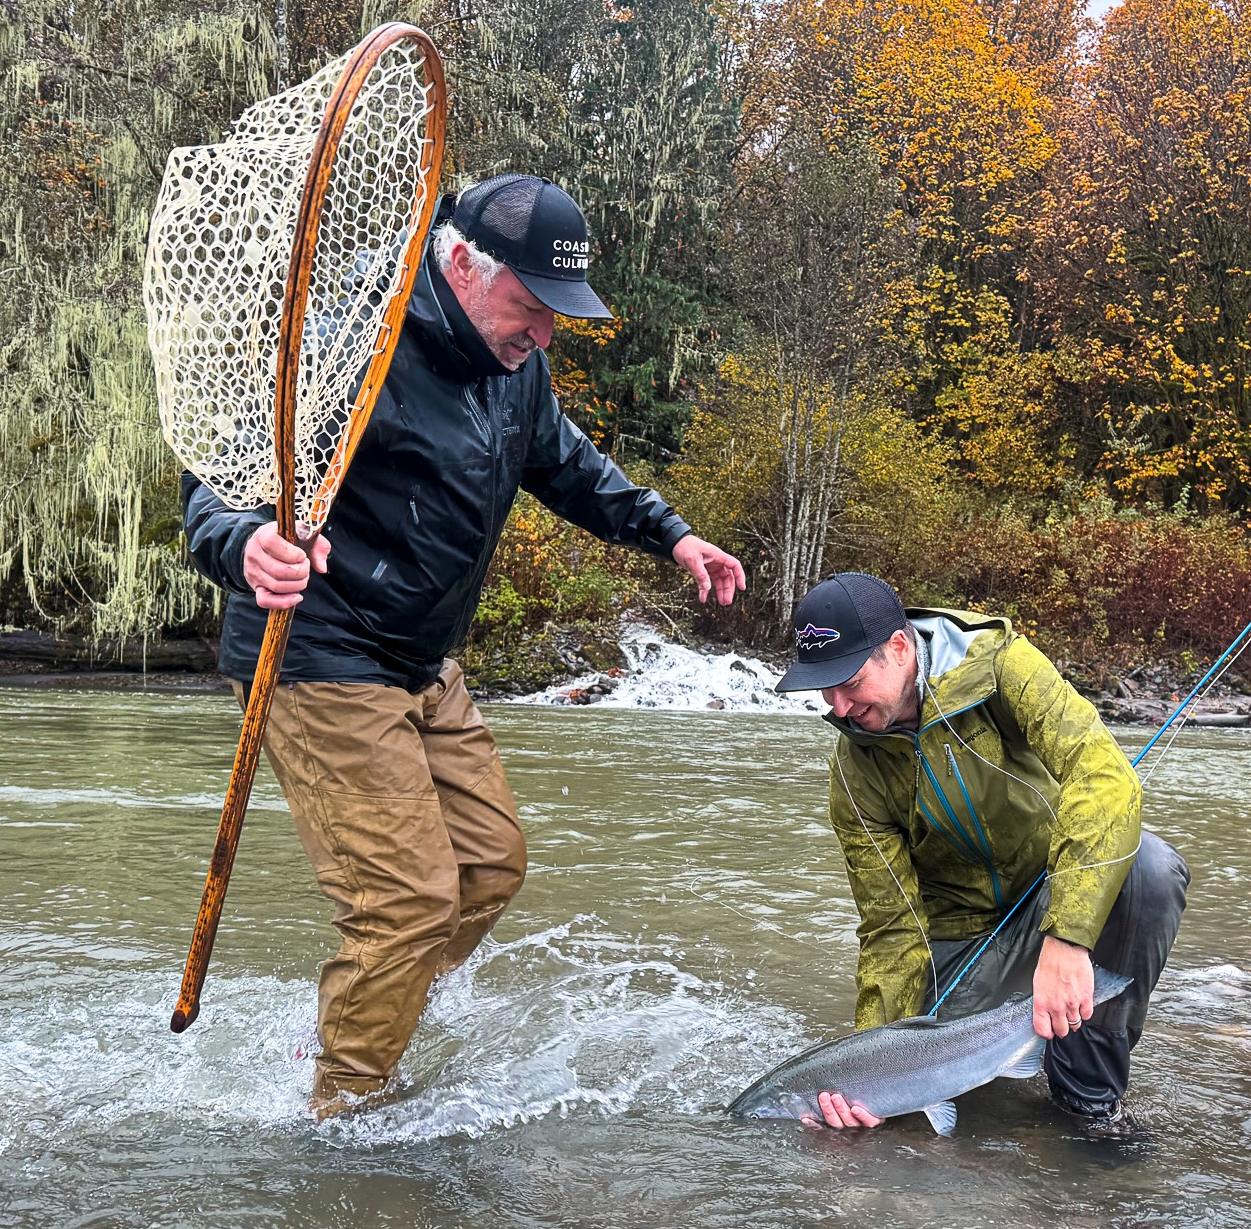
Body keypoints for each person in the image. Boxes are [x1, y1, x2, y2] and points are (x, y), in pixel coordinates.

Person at [183, 174, 746, 1118]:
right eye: (530, 307)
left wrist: (671, 533)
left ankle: (363, 1007)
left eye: (555, 314)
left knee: (488, 866)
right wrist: (244, 544)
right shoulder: (355, 340)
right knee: (406, 902)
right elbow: (224, 475)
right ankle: (342, 1117)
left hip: (417, 655)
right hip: (316, 647)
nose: (544, 335)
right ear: (460, 266)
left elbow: (563, 461)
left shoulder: (515, 362)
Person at [773, 572, 1188, 1131]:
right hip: (959, 945)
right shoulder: (854, 773)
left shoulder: (1000, 667)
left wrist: (1068, 938)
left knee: (1150, 870)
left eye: (848, 681)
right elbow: (891, 927)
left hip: (1050, 899)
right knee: (903, 1112)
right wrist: (867, 1064)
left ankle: (1087, 1100)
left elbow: (1105, 780)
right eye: (824, 688)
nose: (839, 707)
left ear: (898, 649)